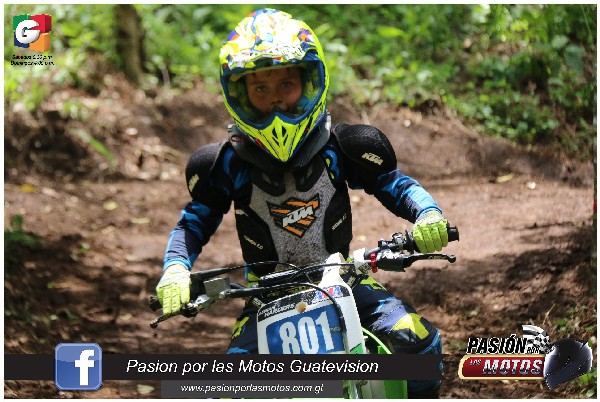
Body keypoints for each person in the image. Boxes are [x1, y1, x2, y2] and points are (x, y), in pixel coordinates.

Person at [156, 8, 449, 398]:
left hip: (344, 279)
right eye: (260, 89)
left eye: (286, 84)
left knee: (418, 347)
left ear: (310, 81)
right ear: (239, 95)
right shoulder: (224, 164)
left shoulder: (342, 146)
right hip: (264, 298)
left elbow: (390, 183)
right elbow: (194, 222)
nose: (276, 99)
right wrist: (176, 269)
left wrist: (427, 214)